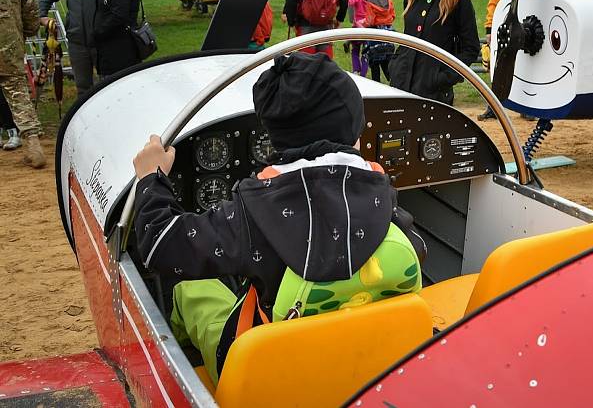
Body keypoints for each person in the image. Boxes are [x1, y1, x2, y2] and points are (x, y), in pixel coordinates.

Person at [132, 52, 425, 386]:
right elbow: (416, 249)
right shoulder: (381, 193)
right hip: (368, 362)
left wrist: (151, 179)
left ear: (275, 137)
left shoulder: (251, 212)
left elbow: (160, 246)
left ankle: (188, 363)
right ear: (353, 132)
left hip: (269, 375)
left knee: (190, 286)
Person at [388, 0, 480, 105]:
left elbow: (471, 49)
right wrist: (395, 65)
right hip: (401, 87)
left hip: (434, 94)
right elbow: (407, 39)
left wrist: (442, 78)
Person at [478, 0, 547, 121]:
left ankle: (527, 107)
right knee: (499, 69)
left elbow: (543, 7)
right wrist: (489, 31)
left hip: (527, 34)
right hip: (503, 32)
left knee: (527, 70)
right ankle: (494, 108)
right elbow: (493, 4)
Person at [38, 0, 102, 98]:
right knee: (83, 87)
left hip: (103, 41)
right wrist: (42, 16)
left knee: (108, 84)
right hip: (77, 42)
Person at [0, 0, 46, 168]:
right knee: (18, 93)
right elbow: (31, 9)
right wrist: (23, 32)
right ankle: (34, 145)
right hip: (9, 44)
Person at [362, 0, 396, 83]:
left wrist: (363, 23)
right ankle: (396, 88)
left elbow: (370, 20)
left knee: (375, 67)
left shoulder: (370, 1)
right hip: (387, 35)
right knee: (388, 66)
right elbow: (393, 15)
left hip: (374, 37)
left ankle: (377, 89)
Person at [347, 0, 369, 76]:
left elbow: (349, 2)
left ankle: (356, 70)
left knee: (355, 50)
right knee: (366, 52)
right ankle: (363, 73)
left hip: (357, 28)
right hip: (367, 27)